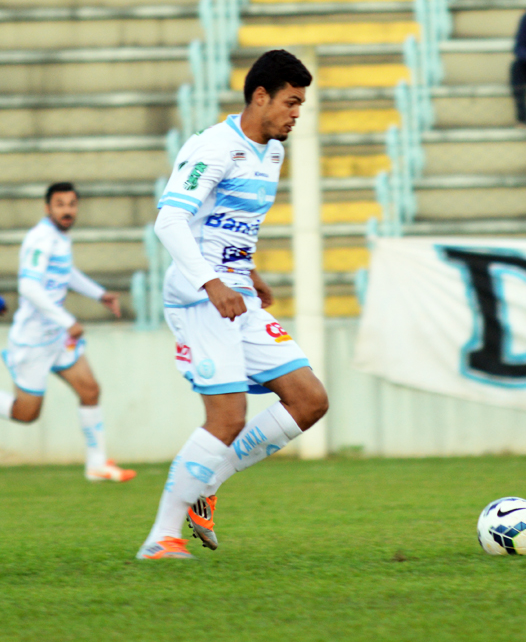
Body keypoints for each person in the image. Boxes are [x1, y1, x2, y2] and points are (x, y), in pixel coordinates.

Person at [136, 49, 329, 560]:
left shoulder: (271, 152)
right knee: (228, 417)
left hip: (237, 294)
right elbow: (171, 222)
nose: (296, 114)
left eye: (301, 105)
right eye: (291, 102)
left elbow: (229, 222)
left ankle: (208, 483)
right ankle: (161, 538)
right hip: (200, 299)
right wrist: (211, 283)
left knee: (309, 399)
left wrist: (248, 273)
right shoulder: (212, 148)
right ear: (259, 96)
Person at [0, 182, 136, 482]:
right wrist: (67, 321)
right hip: (34, 341)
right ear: (48, 208)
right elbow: (29, 286)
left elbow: (66, 273)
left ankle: (97, 465)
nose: (67, 210)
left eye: (71, 204)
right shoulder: (40, 239)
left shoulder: (60, 238)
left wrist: (100, 294)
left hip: (57, 338)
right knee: (26, 414)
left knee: (90, 390)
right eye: (60, 204)